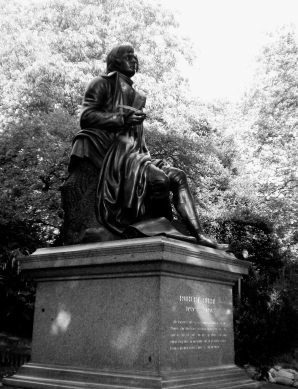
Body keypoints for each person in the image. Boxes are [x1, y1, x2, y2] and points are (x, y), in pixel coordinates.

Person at [61, 43, 228, 250]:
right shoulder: (101, 83)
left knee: (178, 177)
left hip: (137, 155)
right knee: (159, 180)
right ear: (116, 61)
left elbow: (136, 137)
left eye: (135, 56)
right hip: (113, 153)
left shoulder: (137, 95)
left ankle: (199, 235)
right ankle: (157, 228)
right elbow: (86, 117)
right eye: (128, 56)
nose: (134, 60)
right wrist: (122, 118)